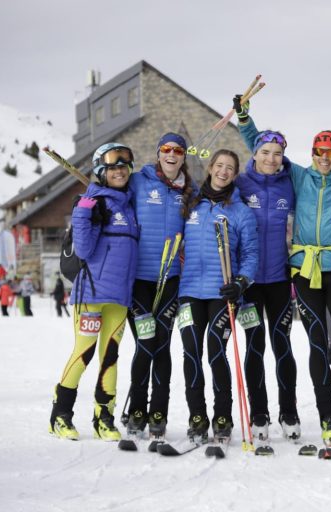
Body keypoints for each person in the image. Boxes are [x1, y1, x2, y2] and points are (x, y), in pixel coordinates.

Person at [236, 100, 331, 449]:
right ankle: (327, 416)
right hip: (304, 270)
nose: (324, 158)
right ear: (312, 154)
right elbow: (263, 148)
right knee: (316, 344)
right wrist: (245, 119)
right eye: (319, 152)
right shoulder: (299, 176)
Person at [49, 142, 139, 441]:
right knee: (84, 352)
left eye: (123, 167)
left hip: (120, 297)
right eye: (112, 168)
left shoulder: (129, 204)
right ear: (101, 171)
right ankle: (60, 415)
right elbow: (84, 250)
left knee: (110, 356)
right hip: (91, 294)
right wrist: (83, 213)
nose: (119, 172)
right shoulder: (94, 202)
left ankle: (104, 418)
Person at [177, 149, 258, 444]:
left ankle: (223, 417)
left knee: (215, 350)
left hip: (221, 292)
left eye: (230, 168)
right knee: (190, 352)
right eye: (219, 166)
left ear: (235, 174)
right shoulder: (191, 205)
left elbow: (251, 255)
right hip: (189, 291)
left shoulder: (240, 212)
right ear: (210, 168)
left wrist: (241, 282)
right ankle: (197, 417)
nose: (224, 171)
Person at [123, 133, 197, 441]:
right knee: (145, 344)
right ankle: (137, 412)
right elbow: (111, 193)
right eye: (166, 149)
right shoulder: (139, 181)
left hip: (171, 280)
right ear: (158, 154)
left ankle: (158, 414)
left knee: (162, 345)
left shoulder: (190, 190)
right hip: (139, 280)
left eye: (178, 150)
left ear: (183, 157)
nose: (172, 154)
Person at [232, 125, 299, 444]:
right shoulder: (241, 184)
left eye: (277, 154)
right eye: (265, 152)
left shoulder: (290, 184)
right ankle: (259, 412)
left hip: (280, 280)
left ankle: (289, 412)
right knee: (255, 346)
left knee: (282, 345)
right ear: (255, 153)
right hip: (249, 283)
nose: (271, 159)